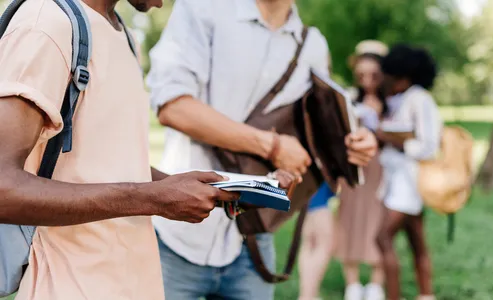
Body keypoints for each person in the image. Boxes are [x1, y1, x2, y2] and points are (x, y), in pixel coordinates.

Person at [0, 0, 244, 298]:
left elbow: (112, 162)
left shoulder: (122, 35)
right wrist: (152, 199)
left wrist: (205, 188)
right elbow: (3, 188)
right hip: (71, 287)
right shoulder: (45, 24)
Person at [146, 0, 378, 299]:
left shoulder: (312, 44)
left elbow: (322, 125)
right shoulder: (202, 9)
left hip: (254, 237)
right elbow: (173, 107)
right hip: (178, 234)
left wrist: (356, 142)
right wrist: (273, 146)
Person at [375, 44, 441, 300]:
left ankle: (393, 296)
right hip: (396, 180)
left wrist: (393, 139)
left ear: (403, 77)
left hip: (411, 181)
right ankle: (426, 294)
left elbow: (429, 145)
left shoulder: (420, 99)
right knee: (416, 242)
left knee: (382, 238)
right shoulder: (399, 100)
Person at [334, 40, 388, 300]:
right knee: (350, 218)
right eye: (362, 75)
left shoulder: (395, 102)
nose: (367, 81)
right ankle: (352, 283)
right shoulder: (349, 98)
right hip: (355, 168)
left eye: (374, 75)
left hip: (384, 169)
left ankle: (377, 283)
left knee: (380, 221)